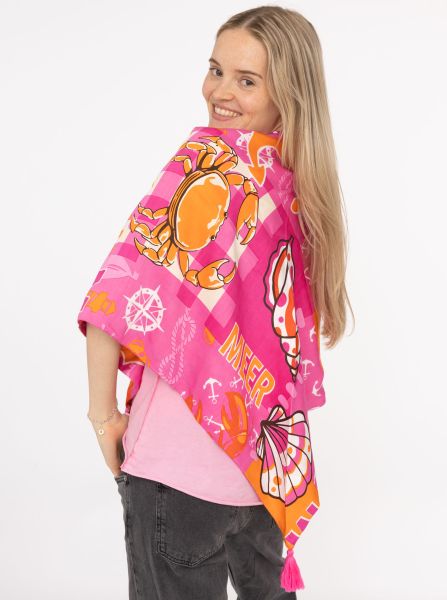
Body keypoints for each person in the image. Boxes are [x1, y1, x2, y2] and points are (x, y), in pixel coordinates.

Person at [79, 5, 354, 599]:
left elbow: (112, 298)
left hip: (174, 477)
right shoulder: (300, 188)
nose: (219, 93)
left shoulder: (205, 167)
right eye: (215, 70)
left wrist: (104, 418)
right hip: (261, 479)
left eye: (246, 80)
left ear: (289, 94)